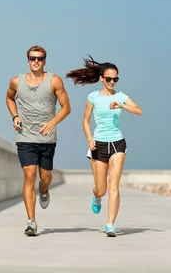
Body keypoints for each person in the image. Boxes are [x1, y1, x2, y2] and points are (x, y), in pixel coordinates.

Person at [66, 55, 143, 237]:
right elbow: (85, 120)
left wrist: (123, 106)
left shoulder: (121, 97)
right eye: (109, 79)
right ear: (102, 78)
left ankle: (110, 224)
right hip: (98, 145)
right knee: (102, 189)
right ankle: (96, 196)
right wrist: (89, 138)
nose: (112, 82)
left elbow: (139, 111)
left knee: (114, 185)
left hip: (117, 143)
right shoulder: (93, 97)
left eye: (115, 79)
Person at [5, 45, 71, 236]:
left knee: (45, 178)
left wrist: (53, 122)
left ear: (44, 61)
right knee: (29, 176)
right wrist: (15, 117)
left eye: (40, 59)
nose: (36, 61)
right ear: (28, 61)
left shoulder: (54, 81)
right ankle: (31, 222)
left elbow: (66, 107)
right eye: (33, 58)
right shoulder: (17, 81)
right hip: (25, 137)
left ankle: (44, 189)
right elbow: (9, 98)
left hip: (47, 139)